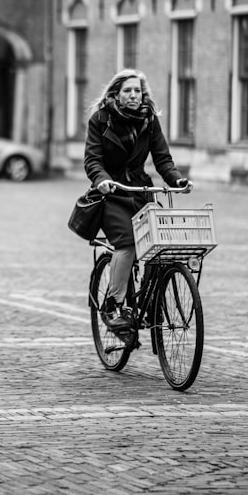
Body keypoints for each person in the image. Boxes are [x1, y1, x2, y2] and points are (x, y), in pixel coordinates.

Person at [83, 69, 191, 349]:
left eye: (138, 91)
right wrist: (102, 180)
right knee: (128, 243)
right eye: (128, 91)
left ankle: (147, 301)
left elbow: (162, 158)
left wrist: (176, 179)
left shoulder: (149, 120)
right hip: (112, 193)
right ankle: (112, 304)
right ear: (116, 93)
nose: (134, 95)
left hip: (141, 190)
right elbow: (92, 160)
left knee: (160, 244)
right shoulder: (100, 119)